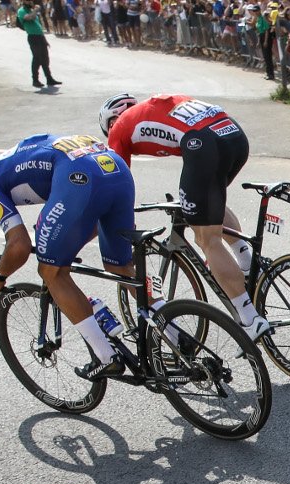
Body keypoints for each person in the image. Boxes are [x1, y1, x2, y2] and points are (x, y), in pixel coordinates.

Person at [0, 135, 136, 381]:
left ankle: (105, 357)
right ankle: (170, 330)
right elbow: (87, 223)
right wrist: (60, 247)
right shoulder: (12, 159)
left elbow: (19, 245)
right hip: (114, 167)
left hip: (79, 176)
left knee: (51, 272)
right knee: (120, 266)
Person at [99, 93, 271, 340]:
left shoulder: (119, 128)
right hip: (233, 134)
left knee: (207, 239)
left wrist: (123, 225)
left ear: (111, 121)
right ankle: (248, 262)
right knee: (209, 205)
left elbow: (118, 183)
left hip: (204, 143)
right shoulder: (152, 109)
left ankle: (249, 319)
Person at [17, 0, 62, 88]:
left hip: (40, 36)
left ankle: (49, 78)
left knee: (45, 58)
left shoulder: (31, 10)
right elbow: (29, 18)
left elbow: (37, 25)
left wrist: (44, 40)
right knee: (37, 58)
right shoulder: (21, 11)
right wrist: (35, 10)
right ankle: (35, 80)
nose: (30, 2)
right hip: (33, 37)